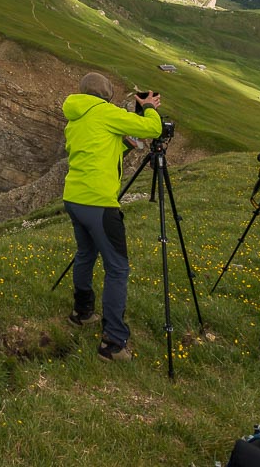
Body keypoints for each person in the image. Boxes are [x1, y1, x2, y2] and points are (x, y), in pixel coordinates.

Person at [61, 72, 162, 361]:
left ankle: (82, 312)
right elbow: (152, 130)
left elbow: (112, 144)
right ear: (106, 95)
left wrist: (128, 132)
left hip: (74, 198)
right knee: (117, 269)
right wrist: (150, 108)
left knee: (85, 254)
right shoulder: (106, 113)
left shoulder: (76, 116)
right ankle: (113, 341)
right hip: (99, 203)